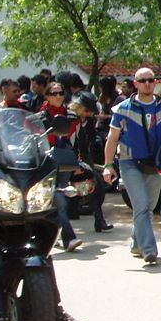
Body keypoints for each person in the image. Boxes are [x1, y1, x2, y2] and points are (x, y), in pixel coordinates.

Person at [101, 67, 161, 265]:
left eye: (150, 80)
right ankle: (149, 249)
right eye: (142, 81)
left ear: (155, 82)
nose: (147, 84)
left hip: (156, 163)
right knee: (141, 205)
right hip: (130, 162)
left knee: (148, 207)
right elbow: (112, 138)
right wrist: (108, 165)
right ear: (135, 84)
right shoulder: (123, 109)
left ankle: (136, 243)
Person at [39, 82, 83, 251]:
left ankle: (54, 234)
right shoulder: (40, 117)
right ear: (47, 96)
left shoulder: (71, 116)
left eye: (61, 93)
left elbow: (77, 140)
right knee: (57, 200)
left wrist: (78, 161)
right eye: (54, 93)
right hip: (46, 163)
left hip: (65, 162)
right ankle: (69, 237)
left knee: (59, 199)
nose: (58, 96)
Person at [68, 94, 113, 232]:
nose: (90, 113)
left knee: (95, 184)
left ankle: (99, 221)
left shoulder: (89, 121)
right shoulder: (69, 119)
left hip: (83, 156)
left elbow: (89, 140)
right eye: (87, 110)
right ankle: (72, 212)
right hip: (67, 157)